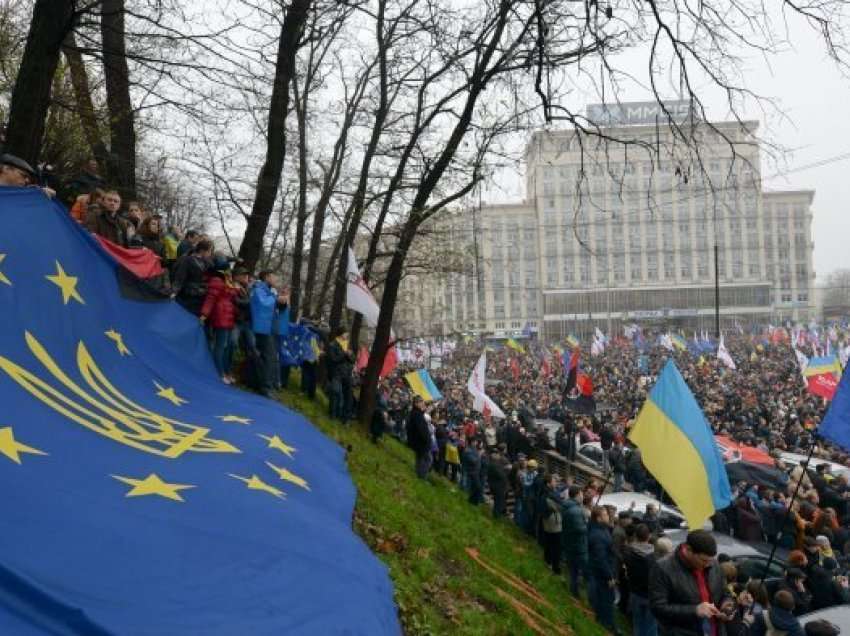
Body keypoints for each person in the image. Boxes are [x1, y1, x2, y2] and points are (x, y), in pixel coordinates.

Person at [648, 530, 725, 636]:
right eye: (703, 560)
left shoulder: (713, 563)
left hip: (715, 630)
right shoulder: (663, 568)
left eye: (710, 560)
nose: (708, 565)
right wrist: (694, 610)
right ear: (688, 550)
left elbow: (724, 592)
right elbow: (657, 607)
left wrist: (727, 604)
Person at [249, 270, 289, 397]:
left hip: (270, 329)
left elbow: (276, 307)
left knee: (268, 357)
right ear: (266, 277)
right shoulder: (258, 288)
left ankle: (263, 384)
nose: (276, 280)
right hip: (263, 329)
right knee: (269, 357)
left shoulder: (269, 291)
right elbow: (263, 304)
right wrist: (277, 299)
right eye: (274, 277)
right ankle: (266, 387)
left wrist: (282, 302)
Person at [200, 257, 239, 384]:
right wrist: (204, 314)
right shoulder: (217, 281)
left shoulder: (225, 280)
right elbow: (210, 298)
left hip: (228, 316)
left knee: (226, 346)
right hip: (221, 316)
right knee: (220, 346)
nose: (230, 271)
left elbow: (230, 294)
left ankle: (224, 372)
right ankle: (219, 373)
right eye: (228, 268)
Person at [588, 506, 619, 634]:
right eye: (605, 514)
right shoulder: (598, 535)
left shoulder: (602, 529)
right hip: (604, 574)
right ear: (599, 518)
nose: (608, 516)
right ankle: (609, 626)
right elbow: (601, 559)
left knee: (605, 598)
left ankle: (603, 620)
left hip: (605, 571)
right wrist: (609, 577)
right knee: (607, 600)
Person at [625, 524, 658, 636]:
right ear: (648, 536)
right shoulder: (653, 557)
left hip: (635, 592)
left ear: (635, 536)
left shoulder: (628, 552)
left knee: (637, 623)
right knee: (651, 626)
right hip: (650, 595)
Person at [172, 239, 213, 316]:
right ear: (202, 250)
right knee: (185, 315)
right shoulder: (188, 260)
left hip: (200, 294)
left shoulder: (206, 261)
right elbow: (180, 276)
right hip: (188, 294)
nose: (210, 254)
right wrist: (174, 291)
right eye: (209, 251)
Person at [562, 484, 589, 597]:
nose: (583, 496)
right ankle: (589, 596)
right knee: (587, 573)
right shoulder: (576, 511)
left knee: (573, 572)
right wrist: (587, 521)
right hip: (579, 547)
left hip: (569, 544)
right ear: (577, 495)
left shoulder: (567, 506)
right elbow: (580, 529)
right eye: (582, 494)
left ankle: (574, 592)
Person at [541, 473, 563, 574]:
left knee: (549, 542)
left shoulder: (544, 491)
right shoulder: (551, 495)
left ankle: (547, 561)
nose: (556, 483)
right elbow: (560, 505)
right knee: (556, 545)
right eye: (554, 481)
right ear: (548, 484)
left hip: (547, 520)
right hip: (553, 521)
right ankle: (555, 567)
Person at [406, 396, 431, 479]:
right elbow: (420, 429)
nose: (423, 403)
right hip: (420, 442)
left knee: (420, 459)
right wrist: (426, 439)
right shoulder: (416, 414)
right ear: (416, 403)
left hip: (418, 441)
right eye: (421, 402)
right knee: (427, 459)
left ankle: (419, 475)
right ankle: (422, 476)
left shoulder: (416, 413)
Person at [487, 447, 510, 519]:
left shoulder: (494, 464)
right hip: (497, 486)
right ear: (493, 456)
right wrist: (505, 471)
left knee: (498, 501)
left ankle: (497, 515)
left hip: (495, 485)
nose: (498, 456)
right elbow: (501, 475)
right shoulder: (494, 465)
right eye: (496, 454)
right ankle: (496, 516)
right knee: (498, 502)